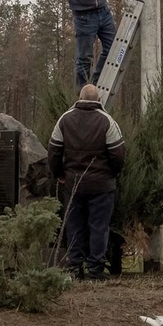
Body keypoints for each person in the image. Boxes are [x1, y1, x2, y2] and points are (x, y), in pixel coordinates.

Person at [48, 83, 126, 279]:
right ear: (98, 100)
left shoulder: (64, 119)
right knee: (99, 227)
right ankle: (95, 270)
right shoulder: (107, 121)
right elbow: (118, 155)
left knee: (74, 226)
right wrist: (112, 174)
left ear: (79, 97)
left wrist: (60, 173)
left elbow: (54, 151)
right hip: (102, 186)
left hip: (73, 184)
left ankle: (74, 267)